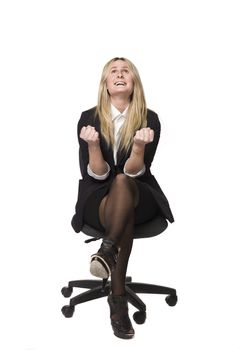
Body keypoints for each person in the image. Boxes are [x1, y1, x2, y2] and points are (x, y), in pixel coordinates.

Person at [71, 57, 174, 339]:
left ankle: (107, 253)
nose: (119, 74)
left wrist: (139, 147)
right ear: (105, 84)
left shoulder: (149, 119)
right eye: (113, 72)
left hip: (140, 196)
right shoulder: (88, 118)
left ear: (133, 83)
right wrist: (93, 146)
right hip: (98, 200)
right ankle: (118, 301)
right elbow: (98, 175)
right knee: (116, 190)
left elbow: (135, 172)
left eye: (125, 71)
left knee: (124, 183)